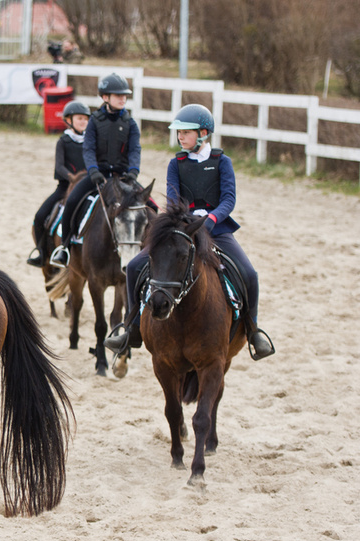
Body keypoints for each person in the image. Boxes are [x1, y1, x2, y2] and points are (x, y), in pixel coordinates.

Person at [104, 104, 275, 360]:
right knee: (136, 266)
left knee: (249, 273)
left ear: (203, 133)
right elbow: (173, 198)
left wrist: (212, 218)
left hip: (216, 229)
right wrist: (186, 220)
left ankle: (253, 330)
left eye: (186, 132)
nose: (180, 137)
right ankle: (131, 327)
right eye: (178, 133)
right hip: (182, 229)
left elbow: (229, 199)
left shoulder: (222, 162)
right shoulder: (176, 164)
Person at [50, 73, 141, 265]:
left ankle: (147, 249)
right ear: (105, 97)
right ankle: (65, 247)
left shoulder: (131, 123)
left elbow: (135, 150)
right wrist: (93, 171)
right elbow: (89, 148)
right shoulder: (94, 121)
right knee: (72, 201)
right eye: (118, 95)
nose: (123, 98)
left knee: (150, 206)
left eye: (124, 95)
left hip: (123, 177)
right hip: (97, 176)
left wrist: (133, 171)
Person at [27, 100, 90, 267]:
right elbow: (59, 166)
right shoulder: (64, 141)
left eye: (85, 119)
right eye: (79, 118)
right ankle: (40, 252)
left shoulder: (90, 141)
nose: (83, 122)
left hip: (88, 188)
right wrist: (72, 177)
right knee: (40, 216)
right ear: (69, 120)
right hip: (65, 187)